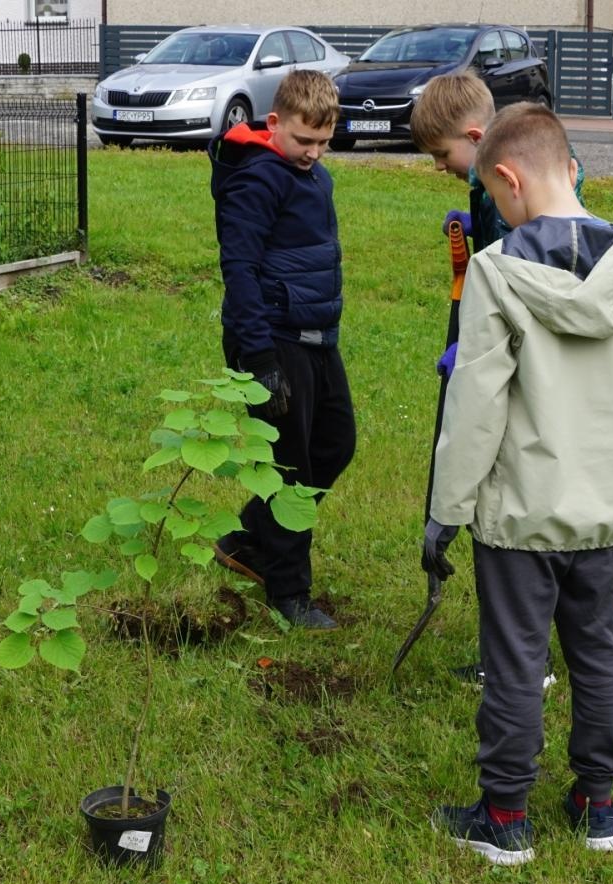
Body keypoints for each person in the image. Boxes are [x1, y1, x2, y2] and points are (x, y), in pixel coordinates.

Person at [420, 102, 613, 864]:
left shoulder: (496, 275)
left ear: (509, 179)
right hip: (606, 514)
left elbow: (475, 406)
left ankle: (504, 816)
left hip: (518, 517)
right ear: (571, 168)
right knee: (597, 652)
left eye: (496, 200)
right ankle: (599, 805)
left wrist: (445, 513)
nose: (497, 213)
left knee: (515, 660)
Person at [409, 72, 613, 677]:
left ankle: (524, 657)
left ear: (477, 139)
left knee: (526, 507)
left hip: (529, 360)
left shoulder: (499, 191)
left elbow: (514, 288)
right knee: (577, 492)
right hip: (583, 411)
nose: (442, 167)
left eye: (444, 155)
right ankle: (612, 621)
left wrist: (469, 354)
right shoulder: (517, 177)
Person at [207, 70, 355, 630]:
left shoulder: (316, 179)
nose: (313, 154)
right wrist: (261, 360)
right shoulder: (256, 179)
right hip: (274, 341)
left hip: (319, 338)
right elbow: (238, 270)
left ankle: (249, 539)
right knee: (290, 467)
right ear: (275, 124)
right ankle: (289, 594)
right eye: (303, 141)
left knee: (336, 443)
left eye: (324, 143)